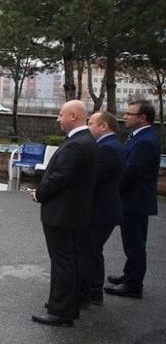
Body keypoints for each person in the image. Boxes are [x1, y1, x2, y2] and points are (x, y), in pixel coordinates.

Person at [30, 100, 96, 327]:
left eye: (60, 115)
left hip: (63, 214)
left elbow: (59, 178)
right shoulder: (84, 140)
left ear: (73, 116)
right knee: (69, 260)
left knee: (63, 262)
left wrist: (39, 194)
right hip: (71, 213)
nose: (57, 119)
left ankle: (61, 311)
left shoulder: (77, 144)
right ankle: (64, 304)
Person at [105, 100, 161, 299]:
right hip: (132, 199)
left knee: (135, 244)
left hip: (135, 201)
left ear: (142, 118)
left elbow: (131, 172)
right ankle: (129, 275)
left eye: (130, 114)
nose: (125, 116)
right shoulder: (138, 136)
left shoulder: (145, 141)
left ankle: (133, 284)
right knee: (132, 242)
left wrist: (111, 187)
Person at [81, 111, 125, 306]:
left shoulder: (108, 148)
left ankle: (91, 291)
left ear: (103, 126)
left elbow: (93, 179)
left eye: (91, 124)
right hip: (103, 209)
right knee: (93, 250)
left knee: (90, 250)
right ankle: (93, 291)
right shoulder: (110, 145)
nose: (88, 127)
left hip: (101, 211)